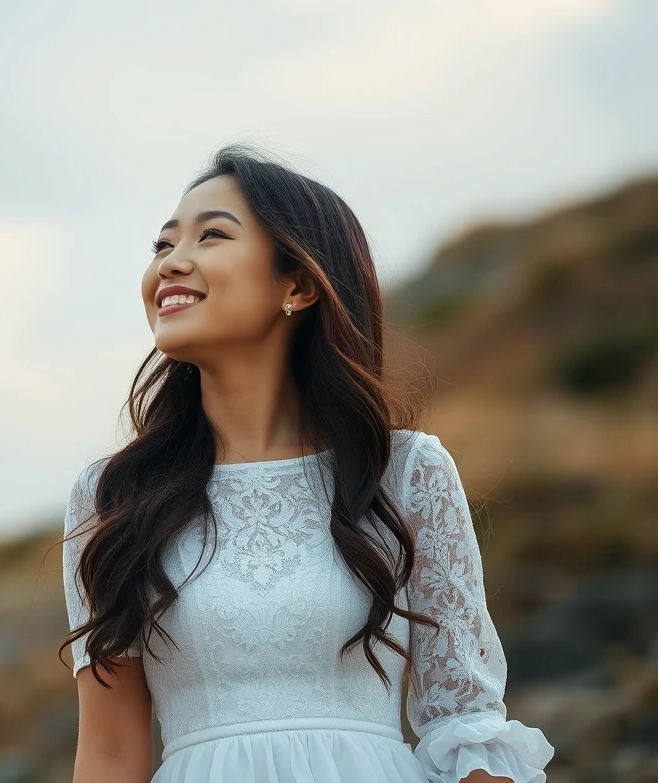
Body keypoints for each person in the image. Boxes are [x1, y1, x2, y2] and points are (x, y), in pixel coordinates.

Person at [59, 143, 555, 783]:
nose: (170, 264)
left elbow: (465, 720)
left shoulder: (403, 472)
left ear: (296, 284)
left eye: (211, 235)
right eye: (161, 245)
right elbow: (109, 753)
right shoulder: (113, 495)